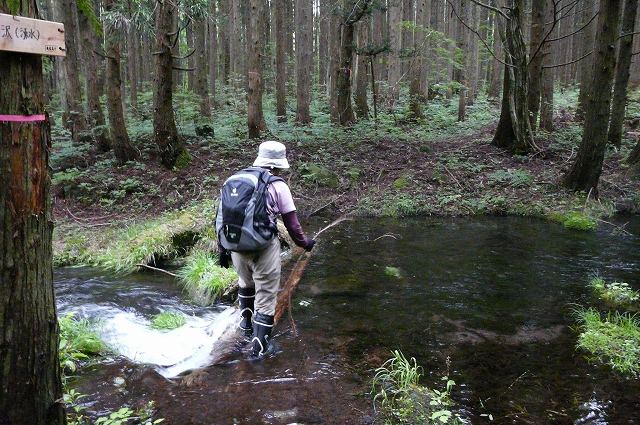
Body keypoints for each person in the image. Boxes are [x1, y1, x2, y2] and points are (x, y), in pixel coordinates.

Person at [217, 141, 315, 358]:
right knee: (267, 297)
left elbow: (222, 218)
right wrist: (305, 244)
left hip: (235, 246)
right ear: (277, 164)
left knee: (246, 283)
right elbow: (292, 225)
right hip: (263, 246)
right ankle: (258, 350)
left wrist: (222, 249)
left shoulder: (233, 180)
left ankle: (245, 328)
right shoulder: (278, 185)